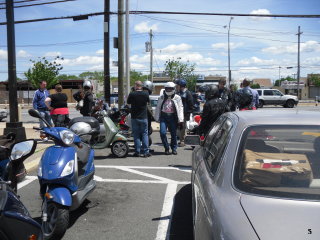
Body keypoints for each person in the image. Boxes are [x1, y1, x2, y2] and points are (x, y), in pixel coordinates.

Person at [155, 82, 184, 155]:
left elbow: (180, 108)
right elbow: (158, 107)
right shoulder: (161, 97)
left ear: (173, 89)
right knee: (162, 133)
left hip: (173, 117)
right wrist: (157, 118)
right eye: (167, 89)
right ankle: (166, 147)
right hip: (163, 117)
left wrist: (180, 119)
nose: (168, 90)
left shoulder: (177, 97)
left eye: (170, 89)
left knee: (173, 134)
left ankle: (174, 148)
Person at [127, 81, 151, 158]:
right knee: (144, 134)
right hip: (143, 117)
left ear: (135, 86)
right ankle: (145, 152)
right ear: (142, 86)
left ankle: (137, 151)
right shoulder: (145, 94)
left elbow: (128, 102)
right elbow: (148, 102)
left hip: (134, 117)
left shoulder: (132, 94)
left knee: (136, 135)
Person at [176, 79, 194, 147]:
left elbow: (191, 104)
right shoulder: (178, 92)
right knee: (180, 127)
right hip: (178, 112)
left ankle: (182, 141)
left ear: (181, 86)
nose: (177, 86)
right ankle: (181, 139)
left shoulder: (187, 93)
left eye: (178, 85)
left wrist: (188, 112)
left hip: (184, 113)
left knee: (182, 127)